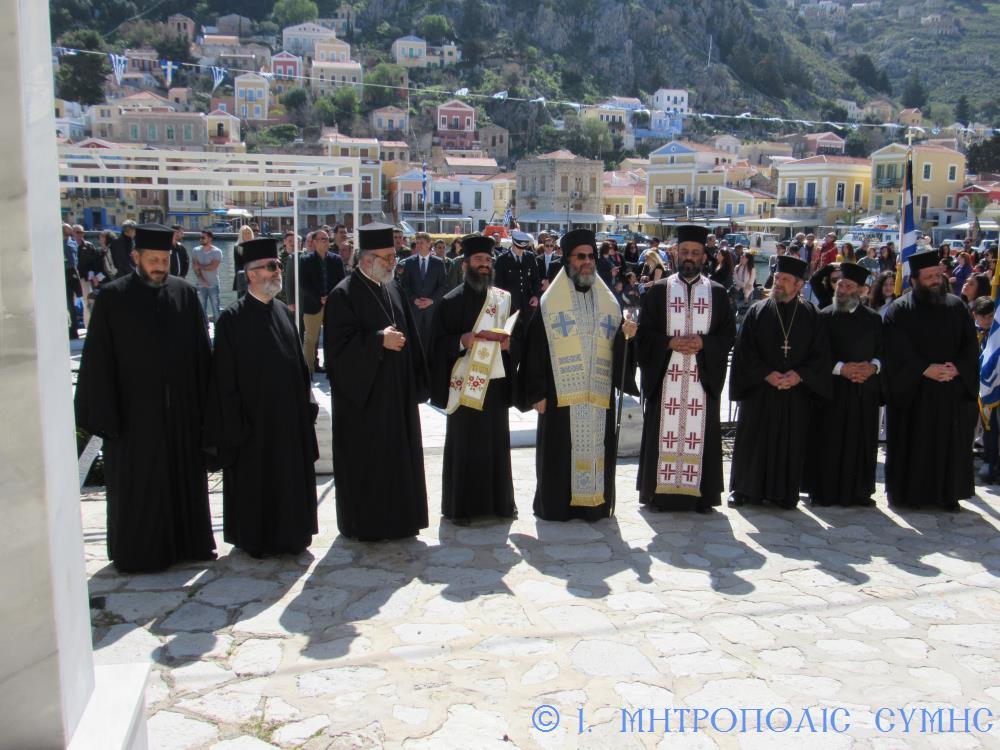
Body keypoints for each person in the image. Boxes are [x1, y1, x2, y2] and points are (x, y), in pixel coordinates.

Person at [74, 224, 215, 572]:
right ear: (136, 257)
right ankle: (140, 553)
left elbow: (201, 356)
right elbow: (97, 362)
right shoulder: (112, 297)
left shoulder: (184, 294)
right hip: (134, 418)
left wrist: (206, 412)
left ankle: (188, 545)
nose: (159, 266)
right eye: (152, 260)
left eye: (164, 260)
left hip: (181, 415)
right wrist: (105, 416)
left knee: (183, 481)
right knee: (140, 489)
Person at [204, 237, 318, 557]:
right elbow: (224, 381)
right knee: (259, 487)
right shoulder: (231, 319)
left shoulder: (283, 311)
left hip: (289, 424)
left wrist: (305, 407)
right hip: (253, 428)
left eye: (278, 266)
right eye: (270, 267)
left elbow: (299, 366)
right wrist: (236, 426)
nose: (276, 272)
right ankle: (256, 538)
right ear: (251, 274)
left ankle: (293, 534)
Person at [519, 229, 638, 521]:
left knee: (597, 449)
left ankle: (594, 505)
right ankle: (557, 506)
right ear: (567, 260)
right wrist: (537, 394)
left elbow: (616, 349)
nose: (587, 262)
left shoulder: (609, 303)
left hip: (597, 397)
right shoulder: (550, 304)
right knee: (560, 455)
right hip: (561, 397)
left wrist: (627, 337)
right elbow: (533, 351)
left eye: (590, 257)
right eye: (581, 257)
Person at [324, 223, 429, 541]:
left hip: (396, 397)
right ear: (366, 259)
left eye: (394, 255)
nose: (393, 262)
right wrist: (377, 341)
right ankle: (367, 524)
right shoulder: (343, 294)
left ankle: (401, 520)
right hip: (364, 403)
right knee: (370, 464)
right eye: (386, 257)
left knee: (399, 460)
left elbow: (410, 333)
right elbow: (337, 354)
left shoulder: (392, 287)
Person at [635, 225, 736, 514]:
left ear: (704, 256)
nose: (689, 257)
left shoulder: (717, 293)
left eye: (695, 253)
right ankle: (658, 494)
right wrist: (669, 342)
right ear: (676, 253)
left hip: (700, 384)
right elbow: (644, 336)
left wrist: (704, 344)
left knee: (700, 434)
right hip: (667, 378)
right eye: (684, 252)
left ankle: (700, 496)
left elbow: (728, 336)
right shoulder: (657, 292)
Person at [728, 255, 832, 509]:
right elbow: (744, 352)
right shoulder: (757, 311)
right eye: (777, 278)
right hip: (760, 391)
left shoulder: (812, 315)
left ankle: (784, 493)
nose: (779, 283)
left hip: (795, 393)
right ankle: (743, 489)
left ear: (799, 285)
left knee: (790, 442)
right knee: (753, 439)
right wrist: (766, 373)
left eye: (785, 280)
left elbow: (821, 355)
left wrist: (800, 375)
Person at [882, 250, 979, 511]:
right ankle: (909, 494)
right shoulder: (899, 310)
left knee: (950, 444)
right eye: (930, 277)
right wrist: (925, 369)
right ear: (914, 280)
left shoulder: (956, 306)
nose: (936, 280)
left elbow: (970, 346)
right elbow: (895, 349)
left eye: (938, 275)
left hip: (950, 389)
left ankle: (949, 494)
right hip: (915, 391)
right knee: (914, 443)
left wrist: (957, 368)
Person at [430, 234, 516, 525]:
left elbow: (510, 334)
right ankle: (461, 507)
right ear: (465, 264)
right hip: (465, 385)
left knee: (495, 442)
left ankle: (499, 505)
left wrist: (507, 346)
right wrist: (461, 340)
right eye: (478, 260)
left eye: (488, 260)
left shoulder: (501, 299)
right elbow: (436, 345)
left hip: (494, 384)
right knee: (465, 444)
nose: (484, 265)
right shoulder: (450, 302)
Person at [803, 263, 883, 507]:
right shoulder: (822, 316)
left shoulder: (874, 319)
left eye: (848, 285)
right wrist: (841, 368)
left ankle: (859, 492)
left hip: (863, 391)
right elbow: (813, 354)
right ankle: (822, 491)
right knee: (828, 441)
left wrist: (873, 367)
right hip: (831, 390)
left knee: (860, 442)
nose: (842, 289)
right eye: (839, 284)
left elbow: (884, 351)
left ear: (860, 290)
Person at [298, 228, 346, 375]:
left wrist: (331, 297)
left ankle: (331, 366)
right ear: (314, 242)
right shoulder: (305, 260)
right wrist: (319, 297)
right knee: (310, 339)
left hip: (332, 305)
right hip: (312, 305)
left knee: (332, 337)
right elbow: (303, 284)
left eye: (328, 239)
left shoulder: (336, 259)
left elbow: (342, 282)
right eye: (323, 239)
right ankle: (309, 369)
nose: (327, 242)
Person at [398, 232, 448, 362]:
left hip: (432, 309)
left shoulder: (438, 262)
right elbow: (405, 285)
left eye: (422, 243)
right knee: (415, 339)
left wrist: (431, 300)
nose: (419, 245)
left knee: (431, 339)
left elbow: (442, 285)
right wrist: (414, 299)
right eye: (417, 243)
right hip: (415, 309)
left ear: (429, 244)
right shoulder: (409, 262)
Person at [974, 296, 998, 483]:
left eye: (992, 316)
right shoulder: (973, 333)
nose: (989, 321)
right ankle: (987, 459)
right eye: (985, 317)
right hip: (975, 386)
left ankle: (993, 463)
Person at [494, 230, 542, 321]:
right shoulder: (502, 260)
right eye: (518, 247)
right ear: (513, 243)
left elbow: (535, 278)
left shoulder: (530, 257)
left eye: (522, 248)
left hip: (527, 303)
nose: (520, 250)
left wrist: (535, 295)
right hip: (509, 304)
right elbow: (497, 283)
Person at [73, 224, 102, 328]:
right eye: (78, 232)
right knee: (71, 303)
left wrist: (92, 274)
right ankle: (72, 327)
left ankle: (88, 326)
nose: (81, 235)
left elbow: (95, 261)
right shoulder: (68, 245)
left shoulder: (89, 246)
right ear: (73, 233)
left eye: (82, 232)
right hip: (71, 278)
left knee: (87, 301)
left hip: (84, 278)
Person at [192, 229, 223, 323]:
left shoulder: (217, 251)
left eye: (203, 237)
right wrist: (203, 280)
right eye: (200, 237)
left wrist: (200, 266)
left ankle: (219, 331)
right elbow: (195, 268)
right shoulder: (195, 250)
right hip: (200, 285)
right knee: (201, 310)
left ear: (210, 239)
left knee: (216, 309)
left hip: (214, 284)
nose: (200, 239)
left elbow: (213, 267)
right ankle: (204, 330)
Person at [233, 225, 254, 296]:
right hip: (242, 277)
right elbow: (237, 265)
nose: (247, 235)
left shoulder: (255, 245)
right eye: (245, 233)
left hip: (254, 277)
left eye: (249, 233)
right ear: (241, 235)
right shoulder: (237, 247)